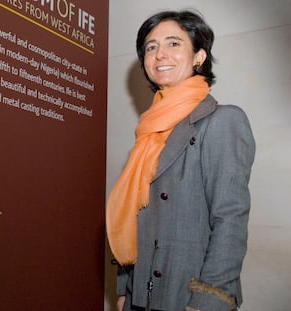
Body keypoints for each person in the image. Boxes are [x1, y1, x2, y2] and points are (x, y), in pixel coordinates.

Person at [106, 10, 256, 311]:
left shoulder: (222, 120)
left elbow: (230, 221)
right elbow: (134, 216)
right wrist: (126, 288)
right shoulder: (149, 131)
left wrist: (206, 301)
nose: (160, 54)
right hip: (141, 297)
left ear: (199, 56)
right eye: (151, 47)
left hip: (187, 298)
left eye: (174, 43)